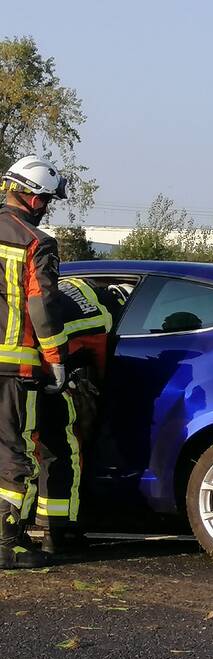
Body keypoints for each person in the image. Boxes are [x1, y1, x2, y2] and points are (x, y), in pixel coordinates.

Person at [0, 155, 70, 569]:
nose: (46, 207)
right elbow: (42, 308)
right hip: (13, 367)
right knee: (13, 452)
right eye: (45, 199)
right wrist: (56, 361)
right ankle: (6, 544)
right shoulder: (35, 242)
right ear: (29, 195)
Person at [32, 278, 124, 555]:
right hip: (46, 371)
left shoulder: (68, 285)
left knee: (19, 449)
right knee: (64, 450)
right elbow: (101, 362)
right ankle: (59, 531)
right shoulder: (101, 318)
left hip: (18, 369)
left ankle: (14, 531)